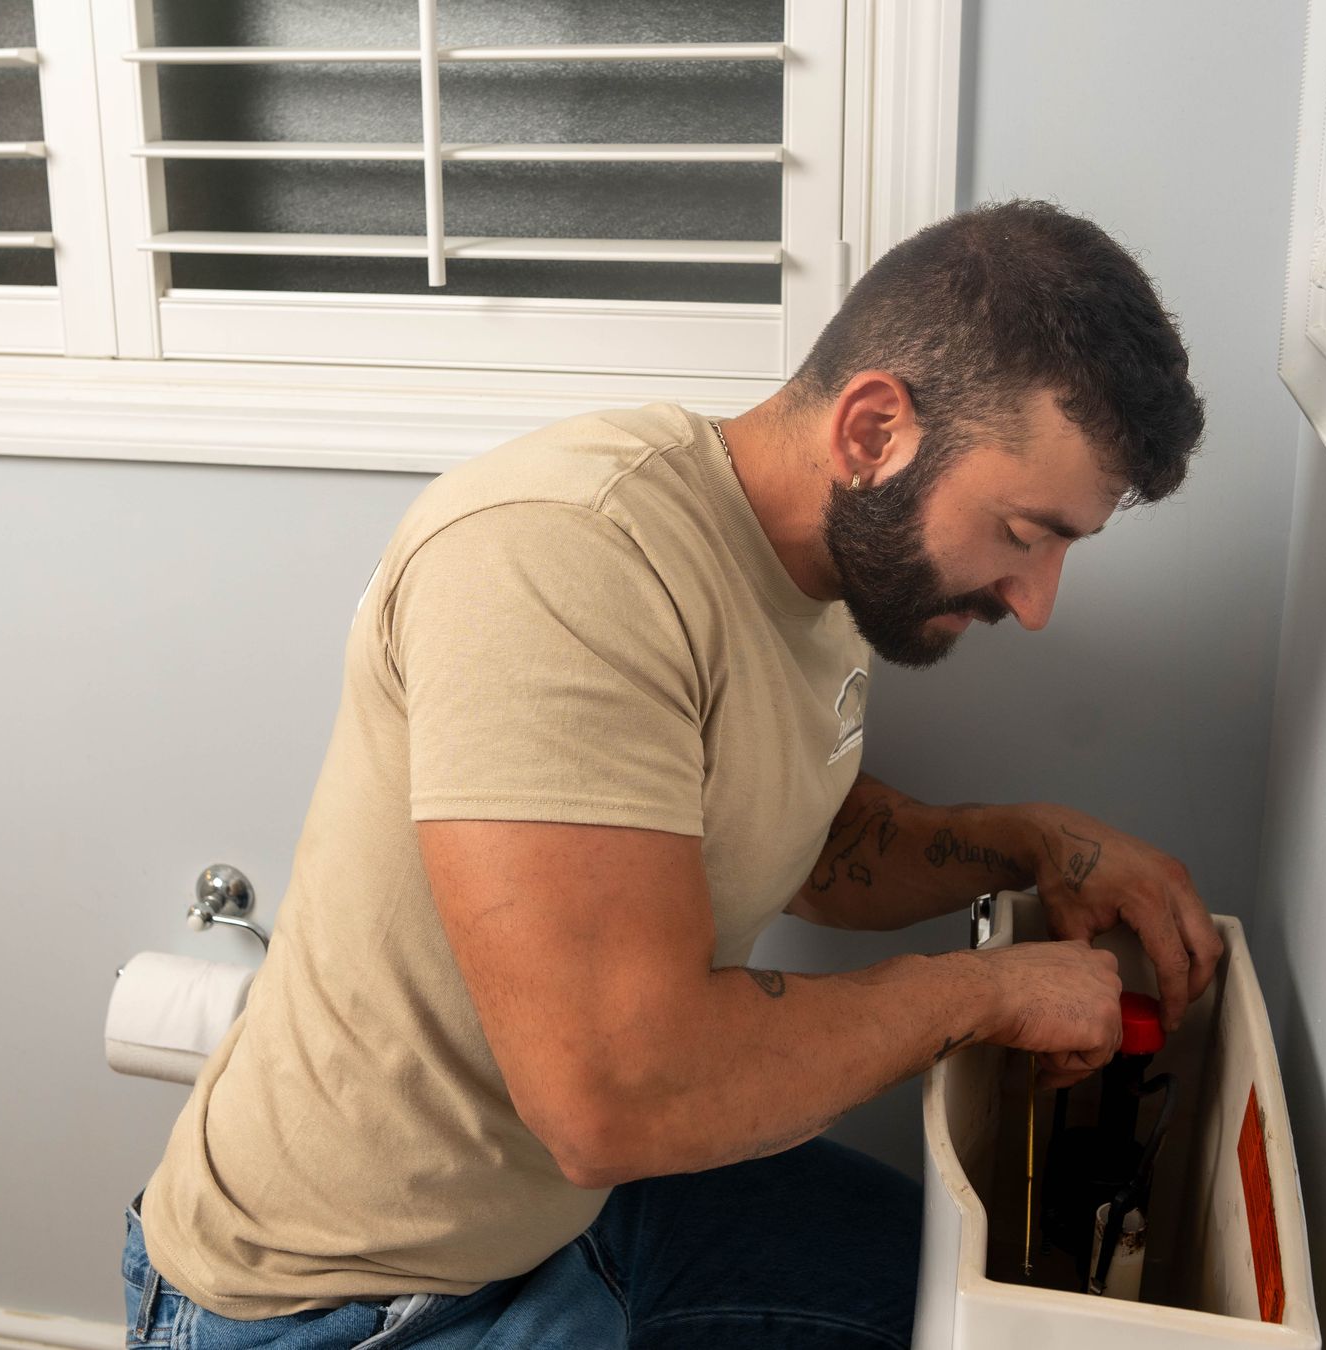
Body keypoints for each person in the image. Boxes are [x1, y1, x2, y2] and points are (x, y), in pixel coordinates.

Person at [121, 198, 1219, 1350]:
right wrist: (986, 990)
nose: (1036, 603)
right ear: (873, 433)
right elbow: (613, 1099)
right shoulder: (565, 558)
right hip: (345, 1297)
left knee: (963, 1307)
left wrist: (1038, 843)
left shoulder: (835, 570)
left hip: (584, 1204)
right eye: (1025, 533)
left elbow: (812, 847)